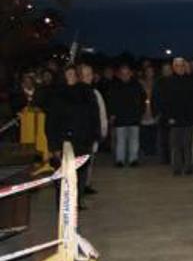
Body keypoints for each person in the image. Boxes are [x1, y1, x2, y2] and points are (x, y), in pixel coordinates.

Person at [45, 66, 96, 207]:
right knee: (62, 175)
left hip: (82, 140)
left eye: (74, 74)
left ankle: (77, 202)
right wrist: (54, 145)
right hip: (63, 141)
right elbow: (51, 123)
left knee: (80, 174)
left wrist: (93, 136)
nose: (71, 76)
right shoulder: (56, 94)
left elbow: (93, 116)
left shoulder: (86, 92)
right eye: (68, 74)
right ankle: (63, 204)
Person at [157, 58, 193, 175]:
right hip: (174, 119)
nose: (180, 68)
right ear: (173, 67)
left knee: (188, 145)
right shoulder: (168, 82)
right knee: (175, 145)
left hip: (189, 119)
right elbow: (164, 101)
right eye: (177, 66)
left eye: (181, 65)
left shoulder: (192, 81)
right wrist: (168, 117)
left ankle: (189, 167)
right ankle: (176, 168)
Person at [107, 64, 146, 167]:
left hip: (134, 117)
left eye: (127, 73)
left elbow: (143, 99)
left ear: (131, 73)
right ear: (120, 74)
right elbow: (111, 101)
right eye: (123, 73)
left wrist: (140, 112)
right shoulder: (114, 86)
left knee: (134, 140)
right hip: (120, 117)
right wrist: (112, 114)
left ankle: (133, 159)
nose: (125, 75)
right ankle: (120, 160)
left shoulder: (137, 85)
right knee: (120, 140)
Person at [78, 63, 106, 196]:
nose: (89, 77)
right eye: (85, 75)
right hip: (78, 137)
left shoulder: (95, 93)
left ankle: (86, 185)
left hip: (91, 136)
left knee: (89, 163)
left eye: (90, 74)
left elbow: (101, 114)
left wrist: (102, 131)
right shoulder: (73, 93)